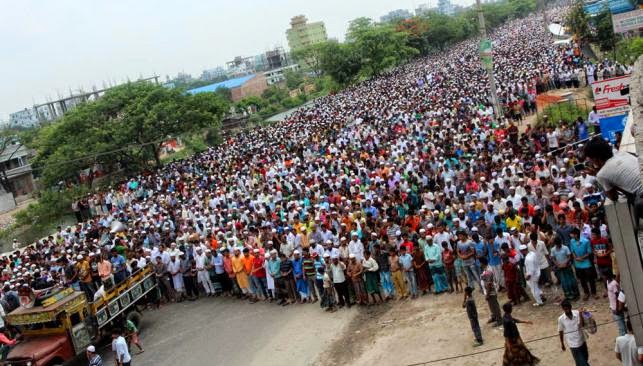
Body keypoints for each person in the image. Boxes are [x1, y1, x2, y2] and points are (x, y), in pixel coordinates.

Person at [558, 300, 590, 366]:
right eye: (565, 309)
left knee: (585, 358)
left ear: (570, 307)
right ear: (563, 309)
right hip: (573, 344)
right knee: (583, 363)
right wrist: (562, 343)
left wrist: (582, 314)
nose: (566, 311)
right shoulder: (561, 319)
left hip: (582, 340)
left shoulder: (577, 313)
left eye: (568, 309)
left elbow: (581, 325)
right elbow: (560, 331)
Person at [479, 257, 502, 327]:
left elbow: (489, 284)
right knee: (491, 306)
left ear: (482, 263)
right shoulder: (486, 269)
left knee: (494, 306)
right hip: (488, 291)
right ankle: (494, 316)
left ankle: (499, 319)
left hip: (491, 292)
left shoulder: (488, 271)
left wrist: (488, 294)